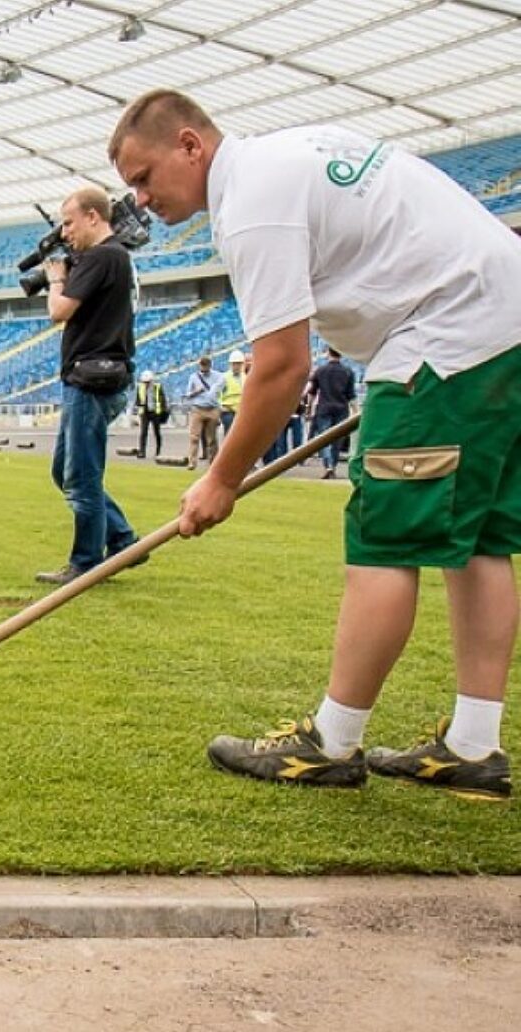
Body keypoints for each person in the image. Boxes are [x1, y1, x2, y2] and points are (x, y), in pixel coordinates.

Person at [111, 89, 519, 799]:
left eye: (144, 178)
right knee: (480, 538)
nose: (141, 200)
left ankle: (332, 742)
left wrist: (221, 480)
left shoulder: (249, 203)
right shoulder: (284, 155)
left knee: (382, 542)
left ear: (190, 145)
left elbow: (281, 365)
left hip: (444, 336)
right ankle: (474, 746)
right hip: (499, 321)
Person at [34, 185, 141, 586]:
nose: (65, 233)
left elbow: (58, 311)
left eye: (69, 223)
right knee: (65, 471)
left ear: (93, 217)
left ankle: (86, 563)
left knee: (80, 476)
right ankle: (123, 540)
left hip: (90, 378)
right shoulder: (116, 256)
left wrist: (56, 279)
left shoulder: (101, 256)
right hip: (99, 374)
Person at [308, 347, 358, 479]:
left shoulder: (321, 370)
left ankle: (327, 464)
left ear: (328, 353)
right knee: (337, 439)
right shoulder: (348, 371)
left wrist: (309, 408)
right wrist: (356, 411)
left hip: (324, 407)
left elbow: (312, 392)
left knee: (324, 438)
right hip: (341, 408)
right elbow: (351, 395)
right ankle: (333, 465)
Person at [134, 369, 169, 458]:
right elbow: (138, 400)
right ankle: (142, 451)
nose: (146, 384)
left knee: (156, 432)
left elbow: (163, 400)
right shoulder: (140, 387)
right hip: (144, 412)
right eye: (144, 382)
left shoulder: (157, 387)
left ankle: (158, 451)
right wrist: (138, 405)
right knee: (143, 432)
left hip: (155, 412)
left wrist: (164, 412)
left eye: (148, 382)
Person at [219, 350, 247, 435]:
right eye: (234, 364)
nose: (236, 366)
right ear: (230, 365)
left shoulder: (245, 377)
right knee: (230, 432)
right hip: (228, 411)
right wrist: (220, 407)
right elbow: (216, 394)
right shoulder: (224, 377)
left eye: (238, 364)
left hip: (242, 410)